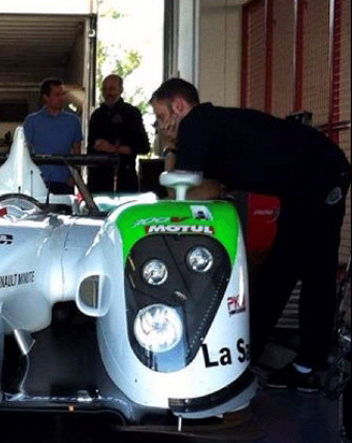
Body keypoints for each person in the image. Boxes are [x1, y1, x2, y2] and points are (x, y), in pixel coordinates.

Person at [150, 77, 351, 392]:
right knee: (311, 272)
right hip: (321, 170)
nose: (162, 126)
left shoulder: (197, 123)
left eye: (162, 117)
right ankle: (308, 363)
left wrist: (171, 149)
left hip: (315, 177)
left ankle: (248, 359)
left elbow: (183, 190)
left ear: (179, 105)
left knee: (285, 270)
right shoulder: (214, 126)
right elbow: (209, 188)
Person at [87, 74, 150, 193]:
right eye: (104, 89)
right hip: (98, 179)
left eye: (111, 89)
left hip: (124, 177)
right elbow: (90, 149)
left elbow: (143, 147)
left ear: (121, 90)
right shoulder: (97, 116)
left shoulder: (131, 113)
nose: (108, 93)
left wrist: (113, 148)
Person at [22, 78, 83, 194]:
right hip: (37, 180)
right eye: (57, 95)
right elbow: (24, 150)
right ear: (46, 97)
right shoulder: (32, 121)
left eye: (62, 94)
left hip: (64, 180)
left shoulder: (73, 121)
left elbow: (77, 150)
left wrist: (74, 176)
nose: (62, 98)